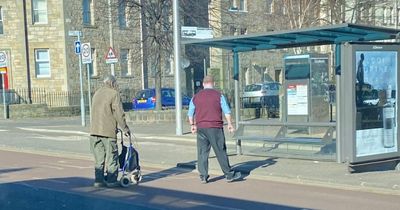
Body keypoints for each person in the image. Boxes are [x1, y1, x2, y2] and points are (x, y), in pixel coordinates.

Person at [187, 75, 242, 184]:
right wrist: (230, 124)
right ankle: (229, 174)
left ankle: (203, 175)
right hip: (215, 127)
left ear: (203, 84)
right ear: (214, 84)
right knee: (220, 150)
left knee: (202, 152)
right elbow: (226, 111)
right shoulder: (219, 96)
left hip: (201, 127)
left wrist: (192, 124)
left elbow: (190, 113)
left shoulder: (196, 97)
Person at [90, 75, 130, 188]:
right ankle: (112, 180)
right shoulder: (114, 94)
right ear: (112, 83)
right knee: (112, 157)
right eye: (116, 83)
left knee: (99, 159)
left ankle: (99, 180)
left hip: (94, 131)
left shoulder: (97, 93)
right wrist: (125, 129)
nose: (116, 85)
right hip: (107, 132)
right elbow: (118, 113)